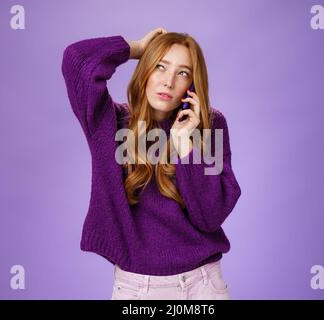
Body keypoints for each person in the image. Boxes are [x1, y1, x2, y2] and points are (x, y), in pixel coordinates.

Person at [61, 27, 242, 299]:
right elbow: (77, 59)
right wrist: (135, 48)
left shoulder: (210, 127)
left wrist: (186, 147)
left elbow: (211, 216)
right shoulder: (110, 123)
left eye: (182, 72)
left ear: (192, 85)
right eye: (159, 66)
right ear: (144, 69)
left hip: (201, 286)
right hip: (137, 290)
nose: (168, 81)